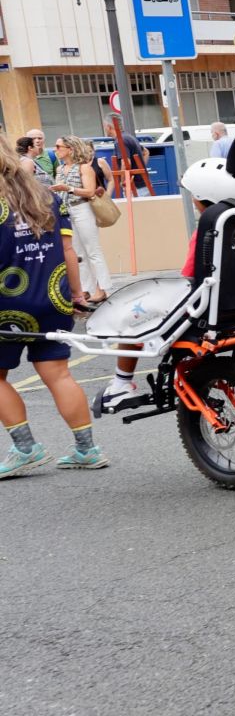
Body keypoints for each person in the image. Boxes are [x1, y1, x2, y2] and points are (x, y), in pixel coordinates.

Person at [98, 127, 235, 412]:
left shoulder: (208, 232)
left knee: (133, 314)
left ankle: (121, 384)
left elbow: (188, 279)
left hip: (203, 315)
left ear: (204, 197)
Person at [0, 152, 108, 476]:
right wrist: (77, 294)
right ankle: (87, 450)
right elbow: (68, 251)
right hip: (53, 296)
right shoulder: (46, 196)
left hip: (8, 304)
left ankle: (25, 448)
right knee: (59, 374)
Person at [50, 136, 112, 306]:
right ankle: (86, 288)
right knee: (78, 253)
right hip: (67, 211)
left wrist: (68, 188)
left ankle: (102, 288)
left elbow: (90, 191)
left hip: (82, 208)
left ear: (70, 149)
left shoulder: (84, 168)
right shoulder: (60, 169)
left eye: (58, 146)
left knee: (93, 250)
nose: (55, 149)